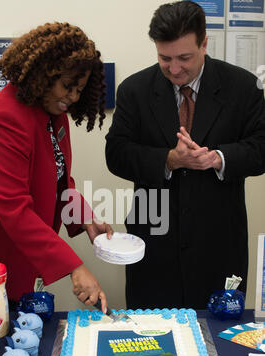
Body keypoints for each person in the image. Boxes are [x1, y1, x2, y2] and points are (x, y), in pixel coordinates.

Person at [105, 1, 265, 310]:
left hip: (219, 247)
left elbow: (261, 148)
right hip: (152, 248)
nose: (174, 69)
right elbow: (117, 154)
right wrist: (169, 160)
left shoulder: (244, 87)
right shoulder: (134, 90)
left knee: (219, 347)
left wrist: (217, 158)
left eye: (184, 58)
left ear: (204, 43)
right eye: (164, 58)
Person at [0, 22, 113, 312]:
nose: (72, 97)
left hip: (21, 255)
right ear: (43, 74)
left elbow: (59, 179)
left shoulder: (52, 111)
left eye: (79, 90)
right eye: (67, 87)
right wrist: (75, 267)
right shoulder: (4, 118)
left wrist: (82, 216)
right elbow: (13, 208)